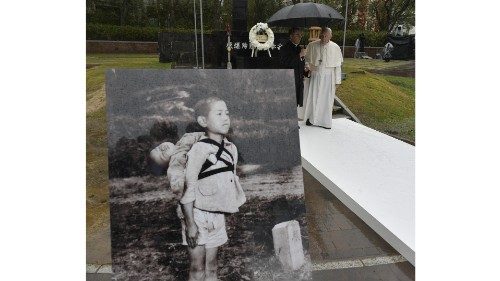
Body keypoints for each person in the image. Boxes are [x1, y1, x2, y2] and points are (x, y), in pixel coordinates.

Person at [180, 96, 246, 281]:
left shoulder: (231, 149)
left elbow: (229, 181)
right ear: (203, 121)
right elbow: (189, 188)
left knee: (212, 267)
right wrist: (191, 224)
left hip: (217, 216)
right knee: (197, 268)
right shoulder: (199, 149)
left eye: (227, 113)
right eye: (219, 114)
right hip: (197, 216)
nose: (225, 118)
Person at [303, 27, 343, 129]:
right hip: (316, 75)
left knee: (326, 99)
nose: (324, 37)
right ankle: (312, 119)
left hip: (328, 77)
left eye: (326, 35)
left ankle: (325, 122)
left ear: (330, 36)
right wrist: (308, 67)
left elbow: (337, 66)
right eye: (322, 35)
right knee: (313, 97)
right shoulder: (312, 45)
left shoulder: (335, 47)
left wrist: (338, 81)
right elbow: (306, 60)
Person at [280, 27, 306, 107]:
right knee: (288, 103)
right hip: (289, 80)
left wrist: (306, 70)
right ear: (291, 36)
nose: (300, 36)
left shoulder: (299, 48)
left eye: (300, 34)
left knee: (296, 103)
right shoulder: (284, 48)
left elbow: (300, 64)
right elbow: (286, 63)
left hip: (298, 80)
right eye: (297, 34)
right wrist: (300, 55)